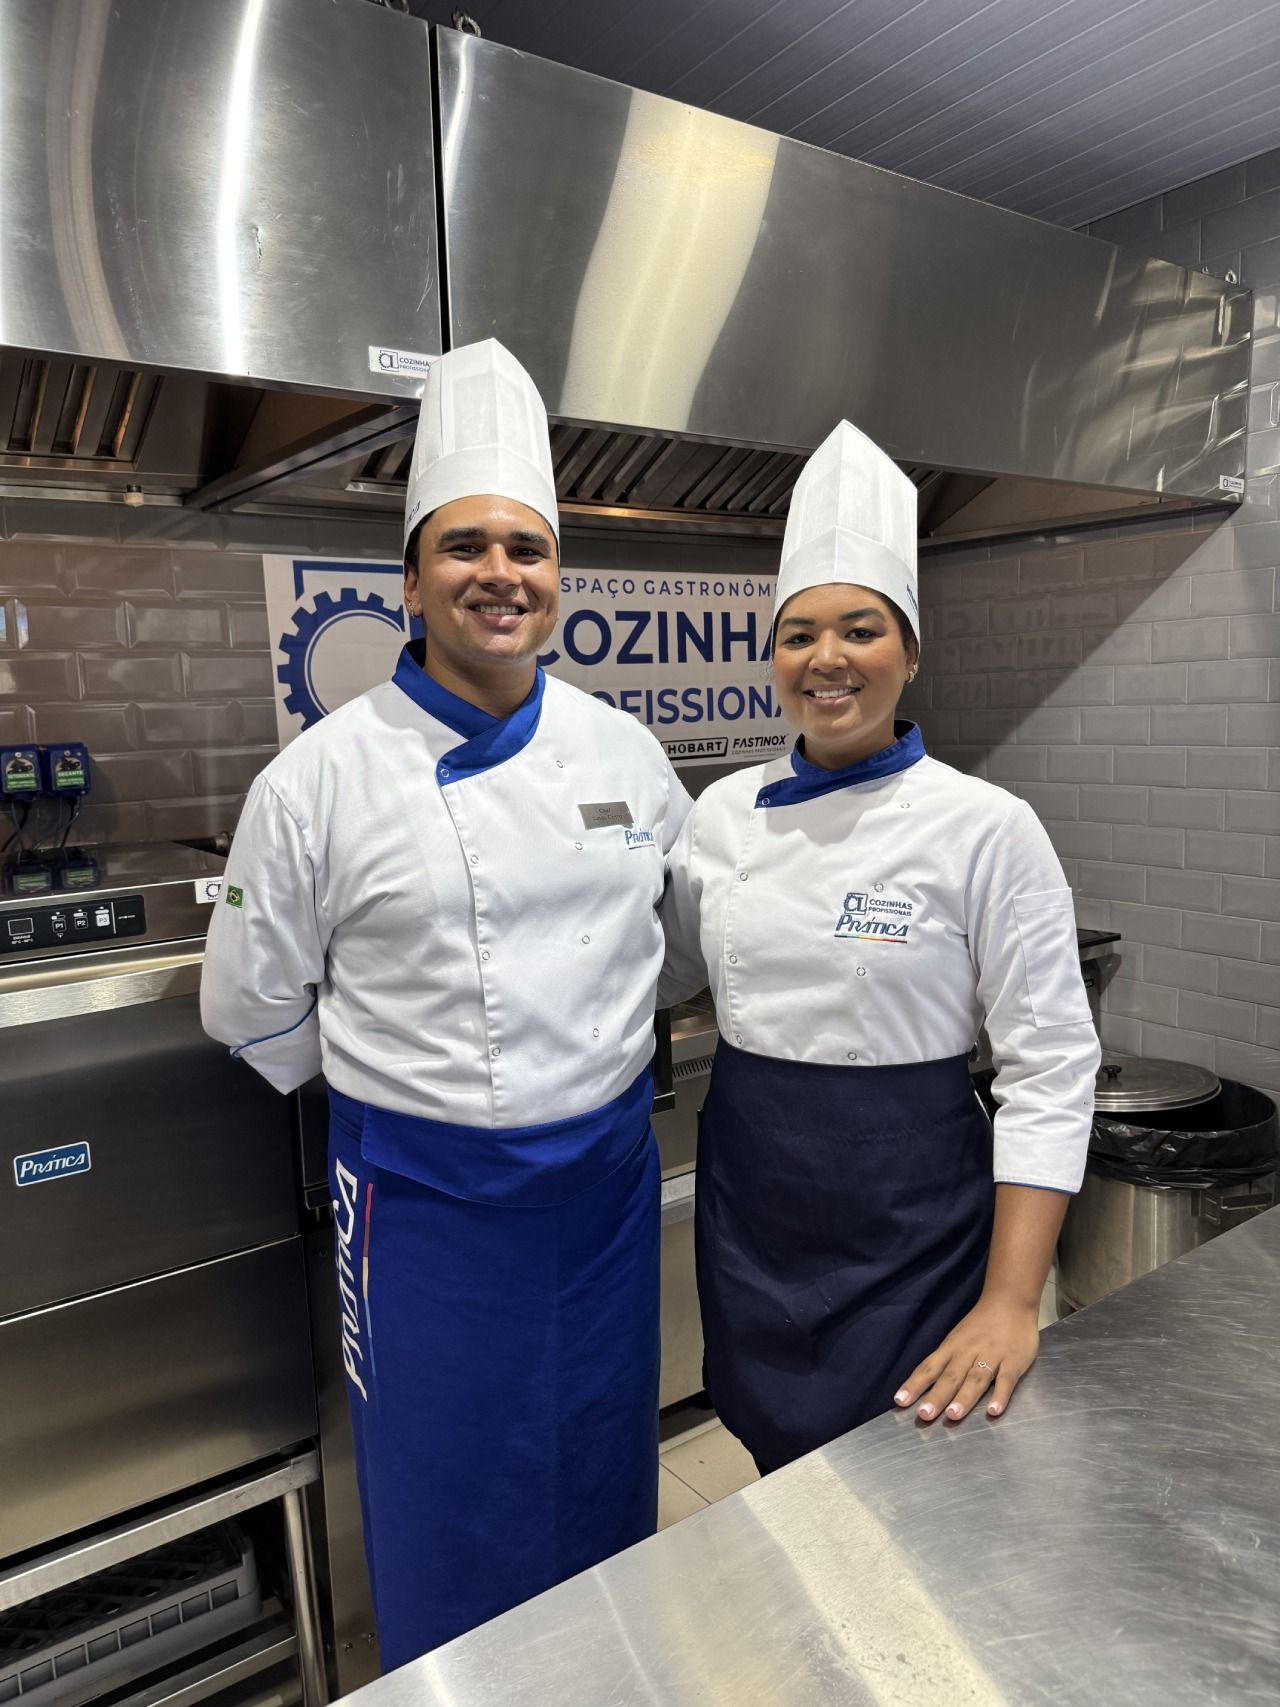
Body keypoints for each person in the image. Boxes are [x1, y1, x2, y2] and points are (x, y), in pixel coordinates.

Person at [202, 340, 691, 1663]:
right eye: (466, 545)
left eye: (527, 548)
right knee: (446, 1499)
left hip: (599, 1193)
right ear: (410, 580)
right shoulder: (316, 781)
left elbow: (680, 936)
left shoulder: (624, 751)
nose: (501, 572)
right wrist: (406, 1093)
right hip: (417, 1208)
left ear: (556, 579)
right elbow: (247, 1007)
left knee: (599, 1468)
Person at [659, 420, 1100, 1475]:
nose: (826, 659)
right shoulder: (720, 814)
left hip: (912, 1212)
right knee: (773, 1446)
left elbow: (1051, 1064)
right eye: (798, 633)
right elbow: (668, 975)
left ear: (907, 649)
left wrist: (1008, 1299)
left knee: (924, 1465)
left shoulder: (984, 825)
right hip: (752, 1193)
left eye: (859, 630)